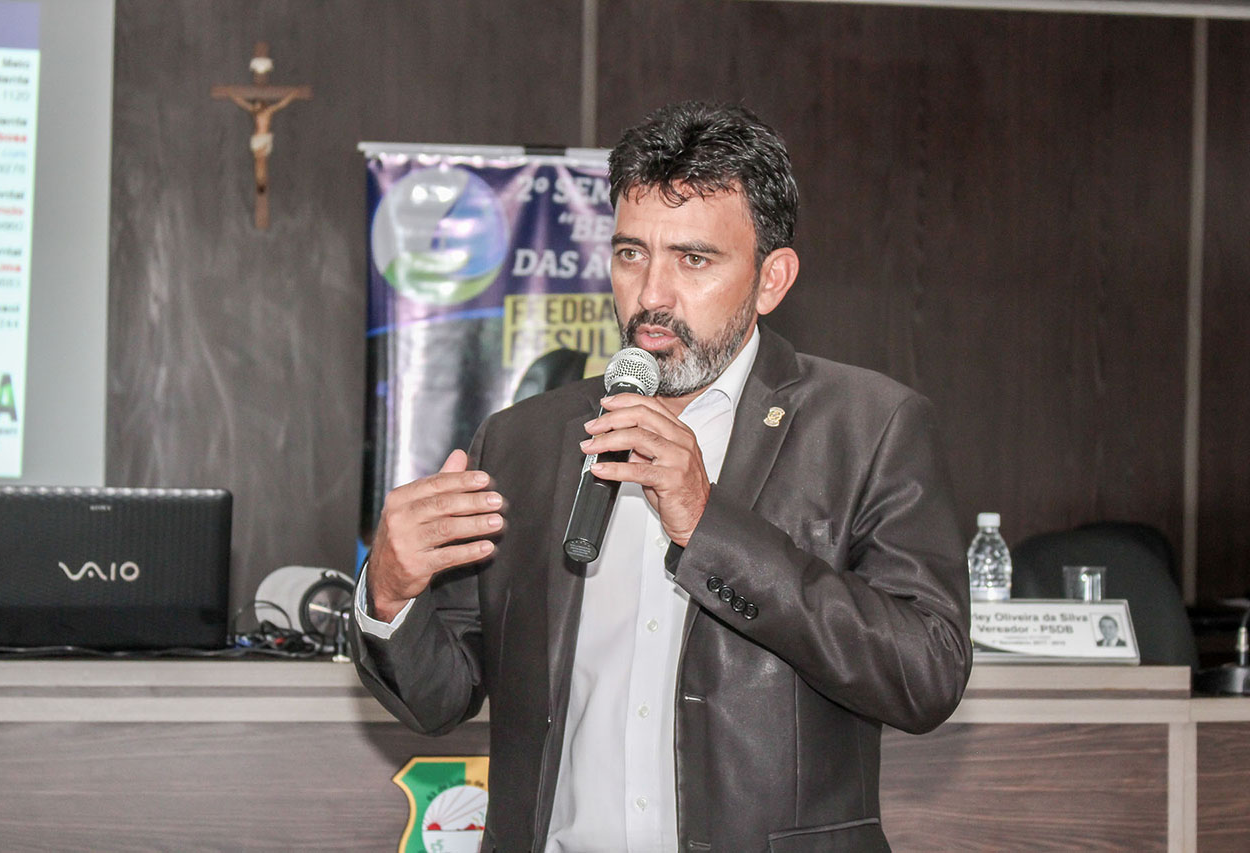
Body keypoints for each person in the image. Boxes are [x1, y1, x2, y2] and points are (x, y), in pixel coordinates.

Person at [352, 101, 971, 853]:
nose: (651, 295)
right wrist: (391, 593)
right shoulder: (521, 441)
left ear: (771, 279)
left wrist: (709, 525)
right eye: (630, 254)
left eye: (693, 259)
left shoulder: (869, 426)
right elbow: (439, 698)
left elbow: (925, 674)